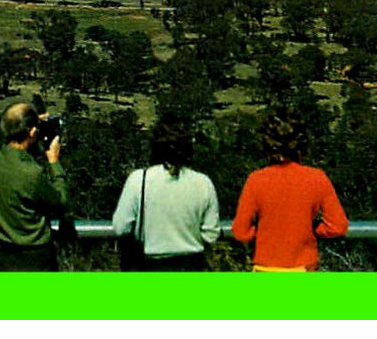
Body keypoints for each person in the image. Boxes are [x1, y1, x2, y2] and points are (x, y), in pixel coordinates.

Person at [231, 111, 348, 272]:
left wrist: (264, 233)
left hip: (265, 267)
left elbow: (240, 232)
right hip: (304, 267)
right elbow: (338, 226)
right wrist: (313, 229)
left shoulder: (256, 180)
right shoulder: (317, 178)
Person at [111, 122, 220, 271]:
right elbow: (211, 234)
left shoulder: (139, 179)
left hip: (149, 265)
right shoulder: (203, 183)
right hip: (192, 266)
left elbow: (120, 227)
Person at [0, 99, 69, 271]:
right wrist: (54, 162)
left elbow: (8, 151)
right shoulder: (32, 173)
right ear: (32, 131)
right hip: (36, 259)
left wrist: (28, 128)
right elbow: (61, 203)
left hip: (1, 255)